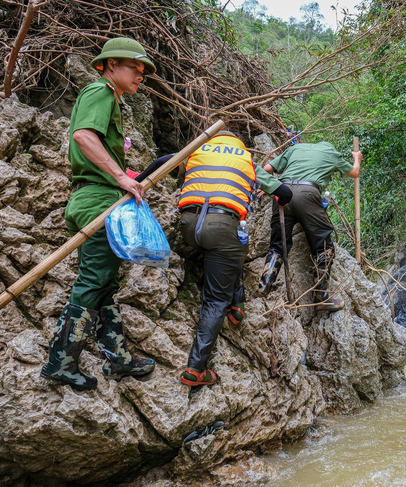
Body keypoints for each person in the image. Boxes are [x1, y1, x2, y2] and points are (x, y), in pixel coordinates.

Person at [40, 38, 157, 390]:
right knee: (93, 281)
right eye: (134, 69)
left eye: (143, 72)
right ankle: (60, 362)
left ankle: (118, 359)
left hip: (101, 197)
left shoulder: (111, 99)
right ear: (109, 65)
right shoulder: (100, 92)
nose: (140, 76)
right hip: (98, 201)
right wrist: (121, 176)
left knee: (105, 283)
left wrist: (126, 177)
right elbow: (83, 137)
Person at [177, 131, 292, 387]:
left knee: (230, 253)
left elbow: (161, 164)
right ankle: (196, 369)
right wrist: (279, 197)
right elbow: (283, 192)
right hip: (222, 227)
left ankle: (237, 305)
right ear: (238, 144)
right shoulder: (245, 160)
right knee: (216, 296)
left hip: (187, 224)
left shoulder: (198, 151)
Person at [257, 140, 362, 312]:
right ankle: (321, 297)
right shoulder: (332, 153)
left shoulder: (294, 149)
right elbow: (354, 173)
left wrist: (267, 186)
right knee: (324, 247)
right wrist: (357, 158)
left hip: (281, 191)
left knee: (277, 246)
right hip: (307, 194)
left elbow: (267, 170)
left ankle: (263, 288)